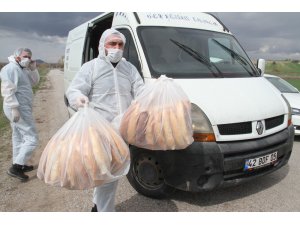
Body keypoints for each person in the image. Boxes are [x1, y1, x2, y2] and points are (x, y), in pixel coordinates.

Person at [66, 28, 144, 212]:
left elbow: (140, 90)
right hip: (100, 130)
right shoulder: (91, 67)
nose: (116, 48)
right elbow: (74, 89)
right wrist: (78, 98)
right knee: (109, 174)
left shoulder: (129, 68)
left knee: (107, 172)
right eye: (112, 44)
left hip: (123, 129)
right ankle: (104, 212)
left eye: (120, 45)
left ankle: (97, 206)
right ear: (103, 45)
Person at [0, 48, 40, 182]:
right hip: (17, 108)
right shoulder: (10, 68)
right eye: (25, 56)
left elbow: (34, 82)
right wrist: (14, 108)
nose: (28, 59)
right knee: (32, 138)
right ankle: (16, 167)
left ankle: (19, 164)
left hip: (21, 107)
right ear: (17, 56)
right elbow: (7, 90)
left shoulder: (22, 69)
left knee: (17, 136)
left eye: (29, 57)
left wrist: (33, 69)